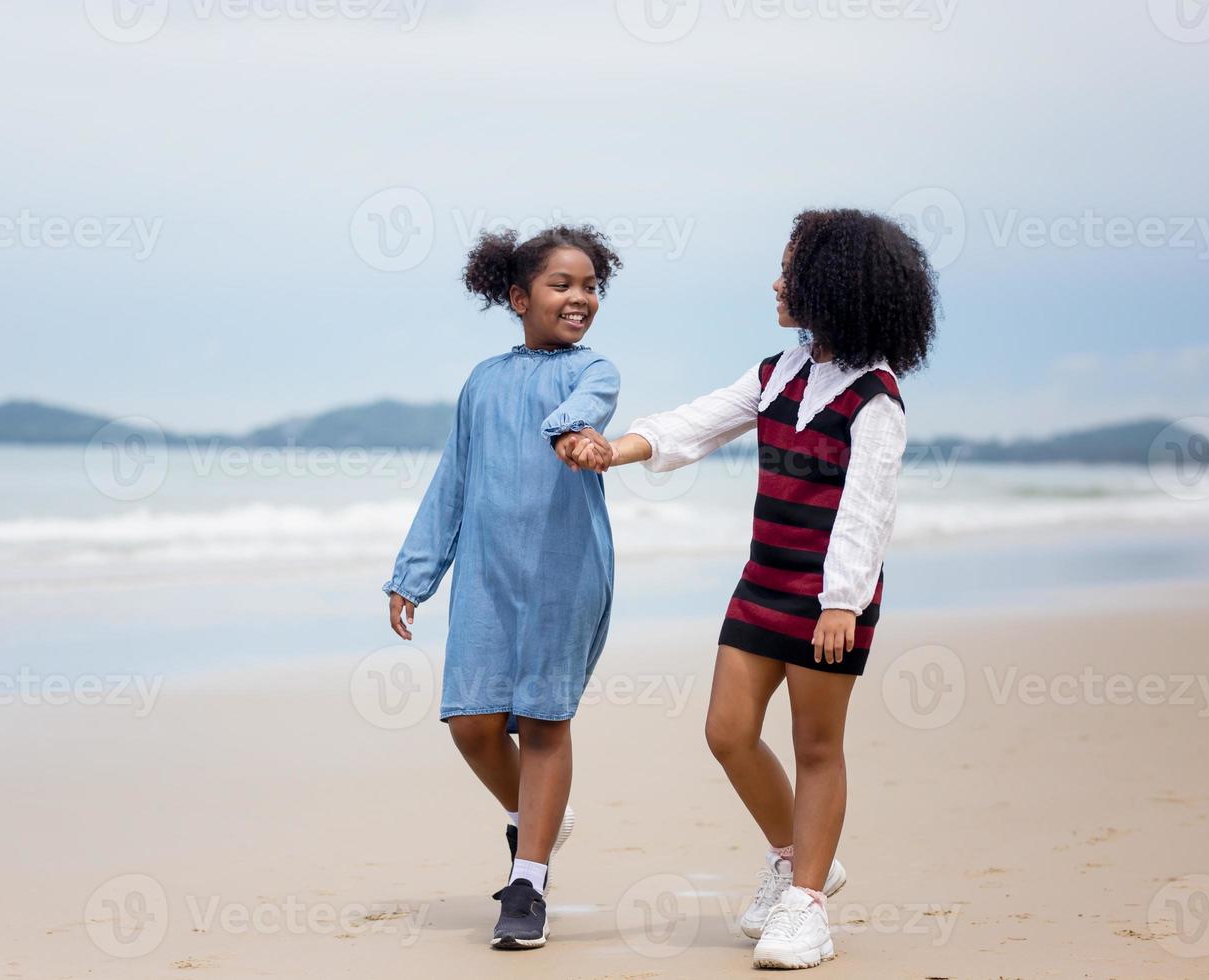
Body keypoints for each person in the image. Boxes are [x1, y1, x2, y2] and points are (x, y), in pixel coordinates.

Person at [573, 208, 938, 969]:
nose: (776, 282)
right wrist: (613, 452)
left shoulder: (875, 397)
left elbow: (868, 510)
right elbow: (694, 425)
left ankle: (806, 907)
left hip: (829, 598)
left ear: (833, 286)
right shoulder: (778, 373)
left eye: (790, 270)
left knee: (815, 747)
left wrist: (841, 600)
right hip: (761, 583)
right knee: (727, 732)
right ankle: (795, 859)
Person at [383, 224, 623, 950]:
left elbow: (583, 410)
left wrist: (569, 432)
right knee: (471, 722)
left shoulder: (596, 369)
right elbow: (452, 479)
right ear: (518, 297)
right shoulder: (482, 381)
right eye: (562, 285)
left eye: (590, 286)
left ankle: (528, 885)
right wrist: (414, 573)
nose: (579, 298)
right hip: (486, 576)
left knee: (546, 721)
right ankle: (536, 814)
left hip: (565, 569)